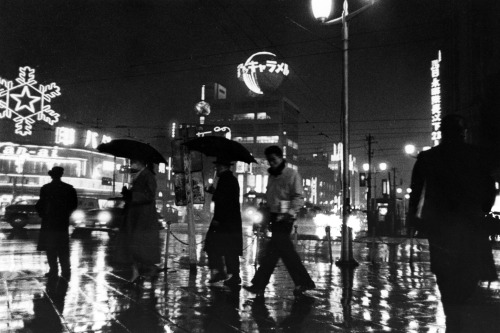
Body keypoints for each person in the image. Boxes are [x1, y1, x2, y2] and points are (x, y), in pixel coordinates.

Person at [408, 114, 497, 331]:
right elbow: (489, 190)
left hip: (438, 224)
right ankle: (461, 313)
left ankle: (452, 316)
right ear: (462, 132)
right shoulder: (476, 155)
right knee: (470, 270)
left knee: (444, 273)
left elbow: (416, 192)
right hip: (470, 222)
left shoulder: (428, 158)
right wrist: (482, 209)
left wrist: (412, 220)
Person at [244, 145, 315, 296]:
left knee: (277, 252)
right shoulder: (272, 175)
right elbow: (271, 197)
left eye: (274, 160)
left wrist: (289, 213)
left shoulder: (291, 174)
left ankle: (260, 284)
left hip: (286, 218)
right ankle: (302, 282)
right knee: (279, 252)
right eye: (269, 161)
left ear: (281, 158)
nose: (271, 163)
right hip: (275, 217)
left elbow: (298, 197)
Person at [120, 159, 161, 286]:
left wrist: (131, 195)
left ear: (140, 163)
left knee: (138, 244)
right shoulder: (139, 176)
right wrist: (128, 194)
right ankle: (138, 272)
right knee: (133, 244)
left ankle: (145, 270)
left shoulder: (148, 176)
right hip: (136, 214)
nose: (131, 165)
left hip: (143, 216)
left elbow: (149, 195)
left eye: (133, 162)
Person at [204, 157, 243, 287]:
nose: (217, 169)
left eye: (218, 167)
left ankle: (225, 273)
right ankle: (228, 274)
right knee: (227, 249)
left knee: (214, 245)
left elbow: (224, 201)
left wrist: (217, 219)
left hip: (224, 221)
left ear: (224, 167)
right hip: (229, 221)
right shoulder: (228, 180)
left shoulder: (227, 180)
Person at [35, 166, 78, 279]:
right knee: (63, 247)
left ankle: (53, 270)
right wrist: (66, 213)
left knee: (51, 247)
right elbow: (73, 205)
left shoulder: (46, 188)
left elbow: (40, 204)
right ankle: (66, 270)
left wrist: (43, 213)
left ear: (51, 175)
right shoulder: (69, 188)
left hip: (49, 221)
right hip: (62, 222)